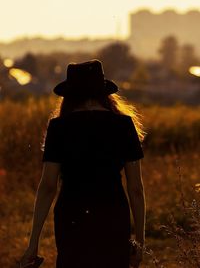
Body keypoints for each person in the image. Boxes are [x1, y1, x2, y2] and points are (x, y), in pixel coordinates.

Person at [20, 59, 146, 268]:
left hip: (71, 217)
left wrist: (33, 243)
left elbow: (48, 187)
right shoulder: (123, 125)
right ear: (103, 92)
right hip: (113, 215)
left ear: (69, 94)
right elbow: (136, 189)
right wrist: (140, 242)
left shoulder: (59, 127)